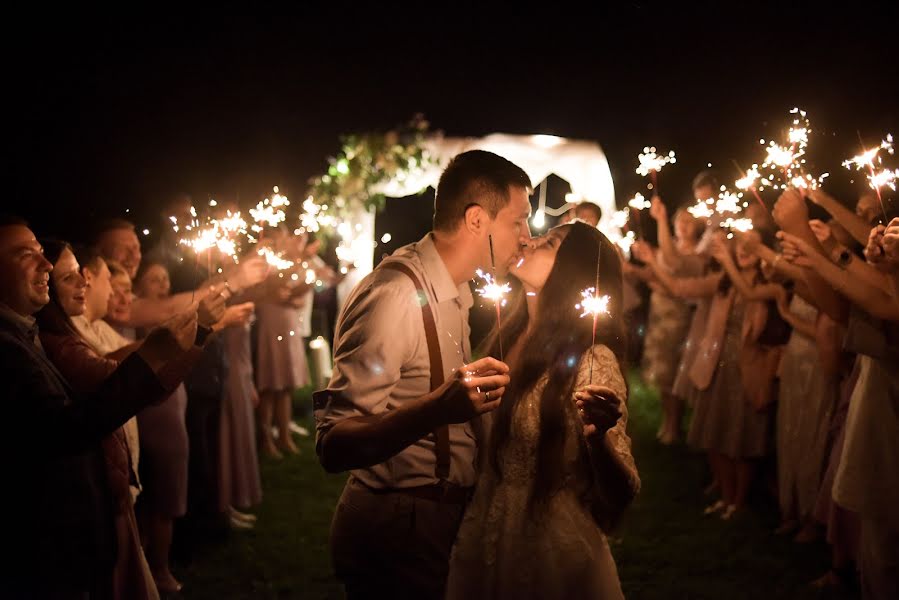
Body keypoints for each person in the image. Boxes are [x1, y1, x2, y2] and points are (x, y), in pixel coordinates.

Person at [314, 150, 531, 598]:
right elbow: (334, 444)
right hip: (398, 527)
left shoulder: (458, 288)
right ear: (476, 221)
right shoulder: (395, 294)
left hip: (435, 520)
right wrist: (439, 408)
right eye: (518, 221)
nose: (527, 238)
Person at [0, 215, 200, 598]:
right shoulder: (10, 348)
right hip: (48, 534)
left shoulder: (26, 334)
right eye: (25, 255)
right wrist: (152, 354)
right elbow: (69, 427)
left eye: (42, 254)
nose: (43, 264)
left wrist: (195, 337)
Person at [446, 221, 639, 598]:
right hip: (486, 527)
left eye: (549, 242)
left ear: (573, 268)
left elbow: (623, 490)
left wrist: (598, 438)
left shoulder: (591, 360)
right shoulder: (508, 336)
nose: (530, 241)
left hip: (551, 548)